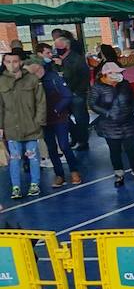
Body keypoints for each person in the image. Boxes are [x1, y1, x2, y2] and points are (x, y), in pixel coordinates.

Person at [88, 60, 134, 188]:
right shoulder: (97, 87)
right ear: (106, 74)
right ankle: (119, 173)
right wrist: (107, 113)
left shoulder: (125, 84)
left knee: (131, 148)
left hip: (128, 122)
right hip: (109, 125)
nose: (119, 75)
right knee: (115, 150)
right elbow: (92, 104)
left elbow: (133, 99)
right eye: (116, 73)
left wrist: (131, 111)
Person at [27, 55, 80, 187]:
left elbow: (67, 95)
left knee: (64, 145)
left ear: (37, 66)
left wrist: (57, 109)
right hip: (44, 120)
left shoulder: (53, 78)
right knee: (51, 148)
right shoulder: (31, 81)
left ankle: (74, 171)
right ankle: (59, 175)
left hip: (59, 118)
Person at [0, 50, 45, 198]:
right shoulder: (1, 82)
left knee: (33, 156)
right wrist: (0, 127)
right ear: (4, 63)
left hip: (31, 126)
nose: (12, 65)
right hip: (11, 127)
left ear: (20, 62)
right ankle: (16, 187)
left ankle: (34, 184)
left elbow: (41, 102)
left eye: (15, 61)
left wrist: (39, 121)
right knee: (14, 158)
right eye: (8, 62)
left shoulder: (32, 79)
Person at [53, 31, 91, 151]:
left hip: (76, 93)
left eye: (59, 47)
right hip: (63, 94)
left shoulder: (76, 59)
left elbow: (74, 76)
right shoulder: (57, 59)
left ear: (67, 46)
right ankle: (75, 136)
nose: (57, 50)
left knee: (80, 118)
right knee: (64, 117)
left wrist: (62, 64)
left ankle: (83, 141)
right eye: (56, 48)